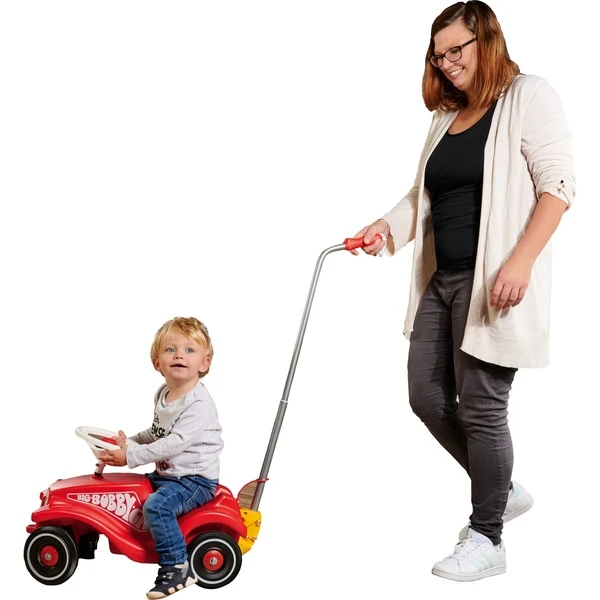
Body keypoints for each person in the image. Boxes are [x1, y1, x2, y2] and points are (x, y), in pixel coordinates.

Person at [351, 0, 575, 583]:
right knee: (426, 397)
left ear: (487, 40)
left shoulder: (528, 96)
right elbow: (423, 196)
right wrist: (383, 229)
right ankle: (500, 484)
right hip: (441, 278)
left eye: (457, 50)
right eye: (439, 55)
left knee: (482, 407)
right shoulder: (447, 116)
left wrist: (521, 262)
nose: (448, 62)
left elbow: (558, 185)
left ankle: (487, 537)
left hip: (493, 281)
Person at [99, 316, 224, 599]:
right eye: (170, 349)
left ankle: (177, 567)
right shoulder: (164, 394)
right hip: (169, 474)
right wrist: (128, 443)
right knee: (128, 492)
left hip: (194, 480)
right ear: (157, 363)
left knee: (157, 507)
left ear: (204, 364)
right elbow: (157, 433)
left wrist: (130, 456)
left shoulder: (198, 404)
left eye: (189, 350)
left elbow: (173, 444)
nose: (179, 355)